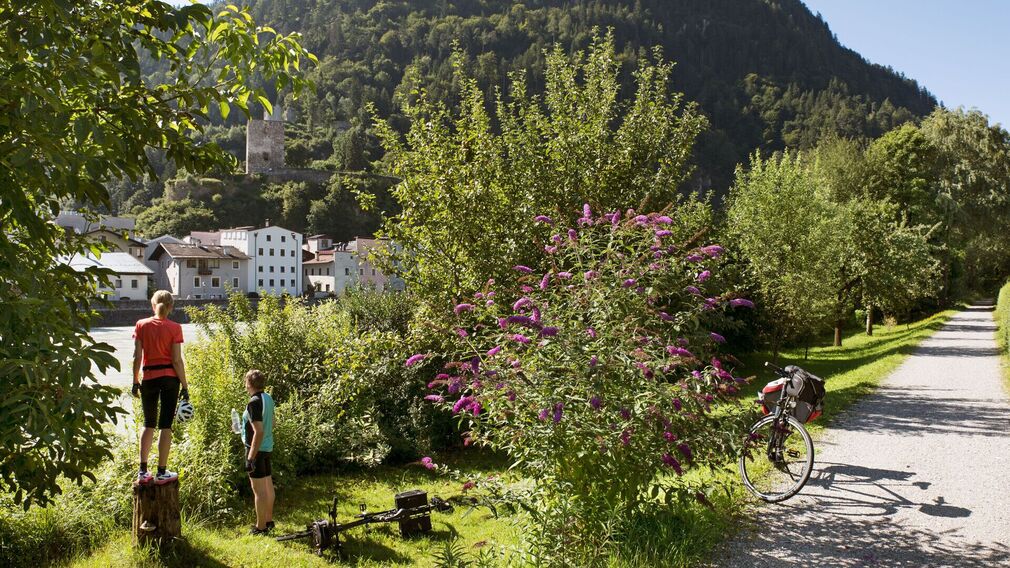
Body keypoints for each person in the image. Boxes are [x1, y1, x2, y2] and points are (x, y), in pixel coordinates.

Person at [131, 290, 188, 485]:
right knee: (165, 425)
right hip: (170, 379)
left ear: (152, 305)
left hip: (148, 377)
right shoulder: (175, 328)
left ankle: (143, 471)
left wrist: (134, 380)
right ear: (171, 307)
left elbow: (137, 357)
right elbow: (177, 360)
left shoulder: (141, 325)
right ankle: (162, 471)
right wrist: (185, 386)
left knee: (148, 423)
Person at [242, 369, 275, 535]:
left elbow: (259, 431)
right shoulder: (268, 398)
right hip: (267, 447)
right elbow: (272, 423)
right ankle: (268, 521)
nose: (245, 385)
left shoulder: (253, 402)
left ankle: (260, 528)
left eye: (246, 382)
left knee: (259, 491)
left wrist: (250, 457)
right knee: (268, 486)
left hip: (256, 449)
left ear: (250, 383)